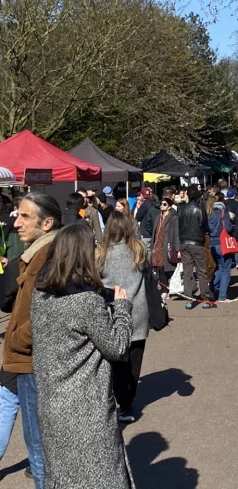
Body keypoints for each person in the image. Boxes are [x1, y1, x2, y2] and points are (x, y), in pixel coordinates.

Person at [31, 224, 134, 488]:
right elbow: (118, 347)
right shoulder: (86, 303)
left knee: (64, 478)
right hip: (86, 408)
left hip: (52, 405)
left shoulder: (41, 294)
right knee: (100, 476)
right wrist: (122, 308)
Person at [2, 192, 62, 489]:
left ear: (47, 223)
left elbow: (44, 316)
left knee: (39, 450)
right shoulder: (37, 254)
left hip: (33, 362)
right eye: (17, 214)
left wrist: (14, 341)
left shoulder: (45, 257)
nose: (16, 222)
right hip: (32, 360)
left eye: (25, 216)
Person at [96, 212, 148, 425]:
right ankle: (130, 396)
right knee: (135, 358)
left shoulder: (100, 254)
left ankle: (124, 403)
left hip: (113, 311)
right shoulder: (138, 249)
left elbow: (96, 280)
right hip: (139, 308)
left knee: (117, 360)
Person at [178, 183, 214, 310]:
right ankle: (205, 298)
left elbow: (179, 225)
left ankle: (189, 299)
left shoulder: (181, 209)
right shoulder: (200, 209)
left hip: (184, 242)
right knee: (201, 272)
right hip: (197, 243)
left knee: (187, 272)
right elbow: (205, 226)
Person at [150, 190, 180, 300]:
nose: (162, 206)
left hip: (167, 245)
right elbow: (154, 231)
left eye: (164, 204)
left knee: (166, 268)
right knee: (158, 267)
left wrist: (178, 249)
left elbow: (176, 233)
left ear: (169, 206)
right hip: (157, 246)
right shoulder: (158, 217)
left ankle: (166, 289)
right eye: (161, 203)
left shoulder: (173, 217)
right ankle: (164, 288)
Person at [207, 193, 233, 302]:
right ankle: (222, 296)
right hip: (223, 243)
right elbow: (228, 228)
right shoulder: (223, 212)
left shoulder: (209, 212)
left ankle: (210, 288)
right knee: (226, 269)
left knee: (219, 267)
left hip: (212, 242)